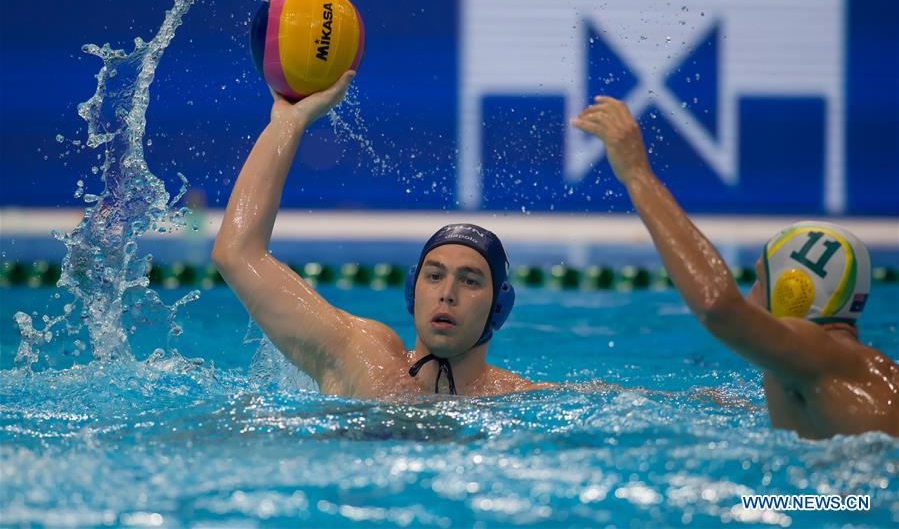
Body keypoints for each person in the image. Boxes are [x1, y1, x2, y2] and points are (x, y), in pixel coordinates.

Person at [571, 96, 899, 439]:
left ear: (791, 291)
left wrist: (637, 174)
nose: (749, 292)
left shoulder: (818, 354)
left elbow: (718, 306)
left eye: (760, 279)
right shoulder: (837, 373)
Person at [212, 71, 555, 397]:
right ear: (412, 291)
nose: (447, 294)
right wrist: (288, 123)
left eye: (470, 281)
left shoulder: (517, 398)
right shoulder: (360, 358)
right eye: (434, 276)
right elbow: (237, 255)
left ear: (499, 308)